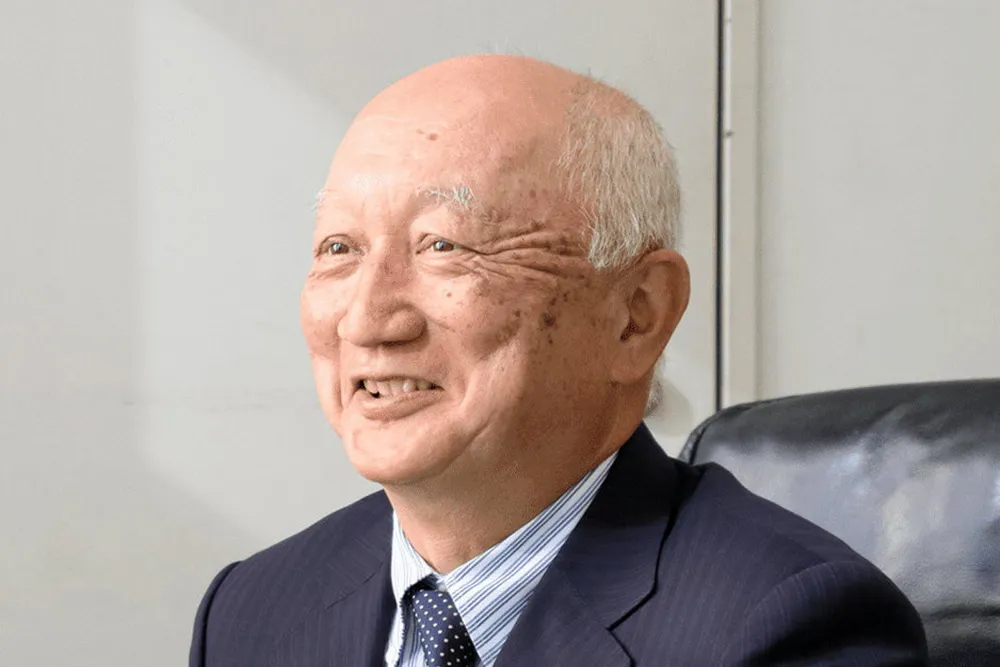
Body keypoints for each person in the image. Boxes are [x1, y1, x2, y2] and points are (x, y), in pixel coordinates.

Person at [189, 55, 927, 666]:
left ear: (635, 315)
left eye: (443, 244)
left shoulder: (788, 627)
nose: (367, 319)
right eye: (339, 249)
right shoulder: (252, 612)